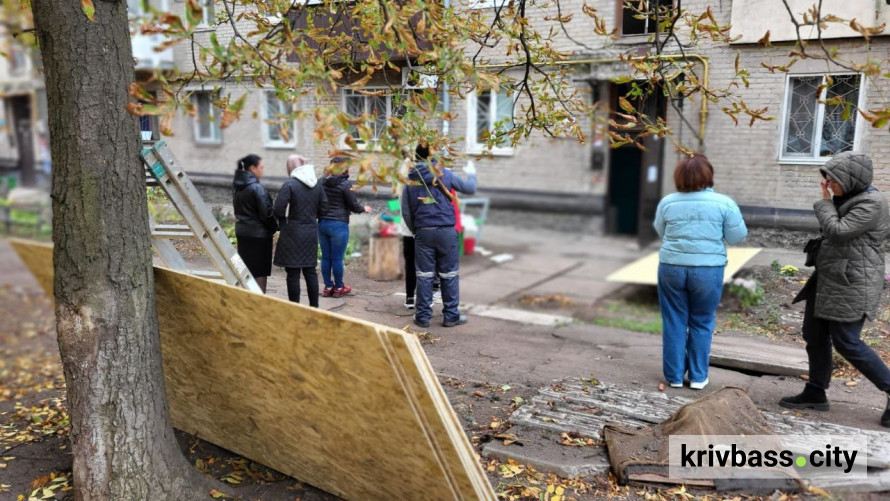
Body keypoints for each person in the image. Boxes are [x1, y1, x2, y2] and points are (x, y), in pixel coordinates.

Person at [780, 152, 890, 427]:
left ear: (852, 179)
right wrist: (831, 202)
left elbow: (838, 230)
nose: (828, 183)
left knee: (847, 341)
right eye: (827, 177)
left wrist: (825, 203)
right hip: (830, 278)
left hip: (854, 281)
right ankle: (816, 392)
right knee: (814, 334)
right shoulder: (849, 198)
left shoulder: (872, 203)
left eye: (834, 178)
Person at [654, 153, 747, 390]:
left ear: (679, 177)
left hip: (671, 267)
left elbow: (660, 231)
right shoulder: (725, 204)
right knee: (702, 321)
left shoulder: (668, 202)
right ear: (709, 175)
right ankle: (697, 377)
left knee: (674, 320)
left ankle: (674, 377)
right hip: (708, 270)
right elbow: (737, 236)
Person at [402, 143, 477, 328]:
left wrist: (416, 230)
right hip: (446, 231)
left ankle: (422, 317)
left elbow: (406, 211)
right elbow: (469, 188)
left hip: (423, 233)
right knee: (449, 274)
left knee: (424, 275)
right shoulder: (446, 175)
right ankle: (451, 316)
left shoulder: (410, 181)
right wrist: (472, 173)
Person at [273, 155, 328, 307]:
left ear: (291, 167)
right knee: (310, 271)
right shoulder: (317, 185)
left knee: (293, 273)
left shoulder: (290, 184)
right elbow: (324, 208)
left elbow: (278, 209)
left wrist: (283, 223)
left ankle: (295, 308)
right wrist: (312, 218)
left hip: (293, 232)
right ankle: (314, 307)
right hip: (310, 232)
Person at [319, 157, 372, 298]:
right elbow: (353, 205)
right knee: (337, 259)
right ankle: (338, 288)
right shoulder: (345, 184)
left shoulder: (321, 181)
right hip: (338, 225)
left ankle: (327, 287)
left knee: (325, 258)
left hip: (323, 223)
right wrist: (364, 208)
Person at [233, 154, 278, 293]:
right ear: (252, 168)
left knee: (247, 270)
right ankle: (259, 304)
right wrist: (274, 227)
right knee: (260, 272)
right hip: (259, 236)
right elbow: (266, 214)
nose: (262, 170)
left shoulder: (238, 188)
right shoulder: (257, 188)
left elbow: (237, 211)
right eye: (261, 167)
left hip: (242, 233)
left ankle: (248, 302)